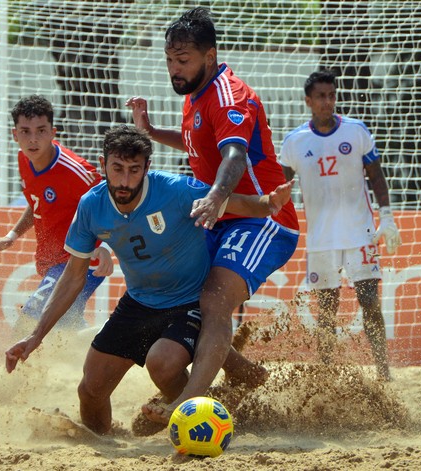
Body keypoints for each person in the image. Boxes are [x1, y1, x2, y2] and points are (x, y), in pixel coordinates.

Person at [4, 125, 293, 435]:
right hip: (140, 302)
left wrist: (268, 204)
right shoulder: (91, 206)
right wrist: (36, 336)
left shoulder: (175, 190)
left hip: (188, 300)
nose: (125, 180)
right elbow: (73, 277)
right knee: (90, 390)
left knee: (163, 364)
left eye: (134, 170)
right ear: (103, 166)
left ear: (146, 168)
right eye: (117, 169)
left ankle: (214, 415)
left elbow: (236, 203)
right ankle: (105, 443)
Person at [126, 6, 300, 424]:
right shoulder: (195, 95)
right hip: (218, 216)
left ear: (210, 54)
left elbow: (234, 155)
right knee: (176, 290)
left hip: (263, 218)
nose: (174, 69)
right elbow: (198, 145)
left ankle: (186, 406)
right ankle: (246, 376)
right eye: (169, 59)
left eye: (182, 60)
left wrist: (217, 195)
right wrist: (152, 133)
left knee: (215, 299)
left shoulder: (229, 93)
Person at [279, 69, 402, 380]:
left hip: (359, 233)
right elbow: (280, 185)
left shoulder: (356, 131)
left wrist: (386, 215)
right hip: (321, 238)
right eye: (320, 96)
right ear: (308, 101)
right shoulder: (294, 141)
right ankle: (327, 372)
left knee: (370, 301)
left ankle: (384, 372)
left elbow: (376, 175)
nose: (327, 101)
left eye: (332, 95)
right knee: (327, 309)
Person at [0, 95, 112, 331]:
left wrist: (105, 246)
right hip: (54, 260)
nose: (33, 139)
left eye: (41, 131)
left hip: (80, 261)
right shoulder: (24, 159)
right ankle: (104, 349)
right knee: (63, 330)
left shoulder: (75, 172)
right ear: (14, 135)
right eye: (25, 131)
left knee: (27, 325)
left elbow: (112, 205)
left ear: (53, 132)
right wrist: (12, 236)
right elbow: (37, 201)